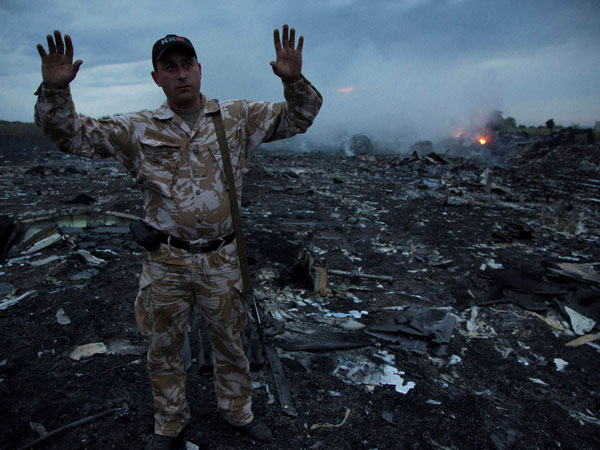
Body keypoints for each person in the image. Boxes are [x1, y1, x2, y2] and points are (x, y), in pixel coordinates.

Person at [35, 25, 322, 450]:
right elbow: (71, 136)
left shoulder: (238, 117)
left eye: (187, 64)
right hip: (166, 262)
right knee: (163, 346)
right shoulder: (138, 128)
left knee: (230, 341)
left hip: (222, 259)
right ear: (157, 78)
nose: (181, 74)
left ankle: (237, 412)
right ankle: (169, 423)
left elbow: (299, 117)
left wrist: (293, 80)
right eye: (170, 67)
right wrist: (55, 91)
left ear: (200, 69)